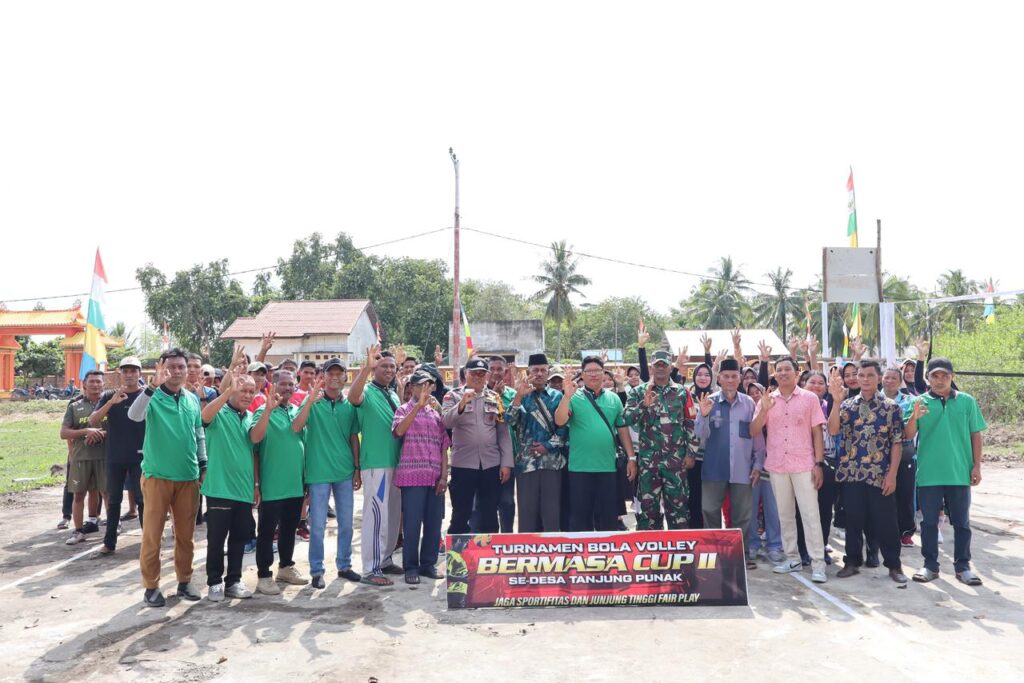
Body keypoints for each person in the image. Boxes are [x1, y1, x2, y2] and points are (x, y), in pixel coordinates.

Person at [127, 348, 207, 607]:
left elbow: (199, 434)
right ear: (161, 369)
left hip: (188, 477)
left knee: (186, 535)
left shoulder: (191, 399)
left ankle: (184, 581)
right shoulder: (151, 396)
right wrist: (152, 387)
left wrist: (203, 464)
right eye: (171, 367)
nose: (177, 371)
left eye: (181, 366)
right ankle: (151, 586)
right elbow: (134, 415)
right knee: (153, 535)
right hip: (157, 476)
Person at [905, 358, 987, 586]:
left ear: (952, 377)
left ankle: (963, 567)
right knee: (929, 523)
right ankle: (930, 566)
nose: (940, 380)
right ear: (928, 378)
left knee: (961, 523)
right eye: (935, 376)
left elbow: (976, 434)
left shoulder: (967, 401)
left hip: (959, 473)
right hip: (929, 474)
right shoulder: (919, 402)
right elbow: (907, 435)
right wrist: (914, 417)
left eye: (945, 376)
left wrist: (977, 465)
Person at [749, 356, 828, 583]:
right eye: (779, 370)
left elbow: (817, 433)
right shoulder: (767, 399)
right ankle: (792, 558)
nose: (783, 373)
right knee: (784, 515)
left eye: (787, 369)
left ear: (797, 373)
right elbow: (754, 430)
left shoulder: (809, 398)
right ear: (774, 374)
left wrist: (819, 464)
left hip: (804, 464)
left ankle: (818, 563)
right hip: (777, 465)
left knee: (810, 515)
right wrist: (763, 410)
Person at [828, 361, 908, 583]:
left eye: (870, 375)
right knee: (853, 520)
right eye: (861, 375)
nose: (864, 379)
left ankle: (894, 565)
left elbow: (897, 443)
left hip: (879, 474)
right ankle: (852, 562)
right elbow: (833, 430)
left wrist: (892, 475)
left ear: (878, 378)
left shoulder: (891, 407)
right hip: (851, 473)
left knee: (887, 522)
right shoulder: (847, 405)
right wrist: (836, 402)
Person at [292, 358, 363, 589]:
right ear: (322, 377)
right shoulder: (312, 401)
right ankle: (317, 570)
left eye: (338, 373)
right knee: (318, 525)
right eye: (330, 373)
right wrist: (310, 400)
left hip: (344, 471)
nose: (334, 377)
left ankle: (344, 565)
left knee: (346, 523)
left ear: (345, 377)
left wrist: (357, 468)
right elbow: (296, 426)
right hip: (318, 473)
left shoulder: (349, 405)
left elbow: (353, 437)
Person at [694, 358, 765, 569]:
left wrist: (758, 465)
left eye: (734, 376)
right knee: (709, 510)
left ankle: (740, 555)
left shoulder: (749, 403)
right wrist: (703, 415)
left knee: (742, 515)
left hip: (742, 468)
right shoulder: (709, 401)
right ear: (719, 378)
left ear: (740, 378)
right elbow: (700, 435)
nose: (730, 380)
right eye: (726, 376)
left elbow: (756, 436)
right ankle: (714, 555)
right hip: (714, 468)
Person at [555, 355, 637, 531]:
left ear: (603, 372)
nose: (593, 374)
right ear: (582, 375)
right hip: (580, 469)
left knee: (608, 520)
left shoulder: (614, 399)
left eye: (597, 371)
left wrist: (631, 458)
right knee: (581, 520)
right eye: (589, 371)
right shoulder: (573, 397)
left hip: (607, 468)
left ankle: (606, 548)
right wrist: (566, 397)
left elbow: (622, 429)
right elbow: (560, 421)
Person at [200, 357, 258, 601]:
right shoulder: (219, 413)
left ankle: (233, 581)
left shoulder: (250, 417)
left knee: (239, 539)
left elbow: (254, 452)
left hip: (243, 489)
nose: (247, 395)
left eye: (251, 391)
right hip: (219, 489)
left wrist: (255, 485)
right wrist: (226, 392)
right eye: (242, 390)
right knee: (216, 540)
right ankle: (214, 582)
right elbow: (204, 416)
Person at [348, 346, 405, 586]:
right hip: (376, 464)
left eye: (392, 367)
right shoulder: (367, 391)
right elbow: (352, 397)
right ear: (374, 369)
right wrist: (365, 369)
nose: (389, 370)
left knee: (392, 515)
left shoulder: (392, 393)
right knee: (375, 516)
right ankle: (370, 569)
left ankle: (385, 559)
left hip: (395, 463)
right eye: (384, 366)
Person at [249, 369, 308, 594]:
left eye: (291, 384)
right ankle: (264, 575)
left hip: (295, 484)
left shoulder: (297, 411)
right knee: (266, 532)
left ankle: (285, 567)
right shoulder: (263, 411)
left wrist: (305, 479)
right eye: (283, 384)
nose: (287, 388)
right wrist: (256, 484)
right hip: (271, 485)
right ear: (272, 386)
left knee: (289, 529)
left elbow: (303, 445)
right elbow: (255, 445)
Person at [623, 350, 694, 530]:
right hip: (649, 463)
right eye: (657, 365)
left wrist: (691, 453)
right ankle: (650, 546)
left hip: (676, 462)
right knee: (648, 513)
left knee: (679, 511)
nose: (661, 368)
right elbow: (627, 419)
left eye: (664, 365)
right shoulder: (638, 392)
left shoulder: (682, 392)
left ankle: (678, 546)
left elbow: (690, 423)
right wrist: (643, 405)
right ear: (651, 368)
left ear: (671, 367)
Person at [442, 357, 514, 535]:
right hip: (463, 464)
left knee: (490, 513)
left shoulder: (494, 397)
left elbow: (503, 432)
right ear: (466, 374)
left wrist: (506, 463)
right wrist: (462, 404)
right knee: (461, 513)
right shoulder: (453, 396)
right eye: (474, 373)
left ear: (487, 376)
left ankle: (488, 550)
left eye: (482, 374)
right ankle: (458, 550)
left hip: (490, 464)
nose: (478, 377)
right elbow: (446, 422)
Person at [393, 370, 450, 584]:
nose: (426, 389)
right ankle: (411, 567)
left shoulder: (436, 414)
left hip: (434, 477)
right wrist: (417, 407)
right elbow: (398, 431)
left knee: (434, 524)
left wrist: (444, 476)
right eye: (422, 385)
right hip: (412, 477)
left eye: (429, 385)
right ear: (412, 388)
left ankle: (428, 564)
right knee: (412, 525)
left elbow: (444, 446)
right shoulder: (403, 410)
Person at [89, 357, 147, 555]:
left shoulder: (146, 395)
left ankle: (148, 542)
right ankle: (109, 543)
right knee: (113, 501)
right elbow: (93, 420)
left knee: (143, 501)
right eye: (125, 371)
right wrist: (111, 403)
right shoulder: (109, 396)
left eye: (133, 371)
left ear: (139, 373)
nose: (129, 375)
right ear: (120, 373)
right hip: (115, 456)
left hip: (141, 457)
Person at [506, 354, 567, 532]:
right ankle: (527, 548)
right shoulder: (520, 395)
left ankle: (552, 548)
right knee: (527, 514)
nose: (539, 374)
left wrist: (547, 446)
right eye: (535, 370)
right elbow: (509, 420)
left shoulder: (557, 396)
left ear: (548, 373)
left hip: (552, 462)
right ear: (528, 372)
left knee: (551, 514)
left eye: (543, 370)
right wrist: (518, 396)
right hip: (526, 463)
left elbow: (564, 428)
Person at [60, 370, 108, 546]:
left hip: (105, 456)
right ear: (84, 384)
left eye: (98, 381)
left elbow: (120, 430)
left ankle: (112, 528)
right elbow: (64, 433)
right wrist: (86, 431)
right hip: (81, 457)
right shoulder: (74, 406)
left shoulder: (110, 404)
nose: (95, 385)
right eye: (92, 381)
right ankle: (79, 531)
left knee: (108, 493)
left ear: (104, 384)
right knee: (79, 495)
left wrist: (102, 434)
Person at [882, 366, 918, 547]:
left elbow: (910, 428)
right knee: (883, 496)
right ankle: (884, 531)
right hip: (879, 456)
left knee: (905, 495)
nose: (889, 381)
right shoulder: (874, 398)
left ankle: (905, 532)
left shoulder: (909, 401)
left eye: (893, 378)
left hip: (904, 454)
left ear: (900, 381)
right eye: (886, 377)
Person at [487, 356, 518, 533]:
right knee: (486, 502)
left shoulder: (513, 395)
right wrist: (493, 396)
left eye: (500, 369)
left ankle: (507, 537)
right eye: (492, 369)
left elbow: (515, 421)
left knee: (507, 502)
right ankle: (489, 540)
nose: (496, 373)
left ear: (506, 372)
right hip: (486, 456)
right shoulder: (479, 393)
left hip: (508, 455)